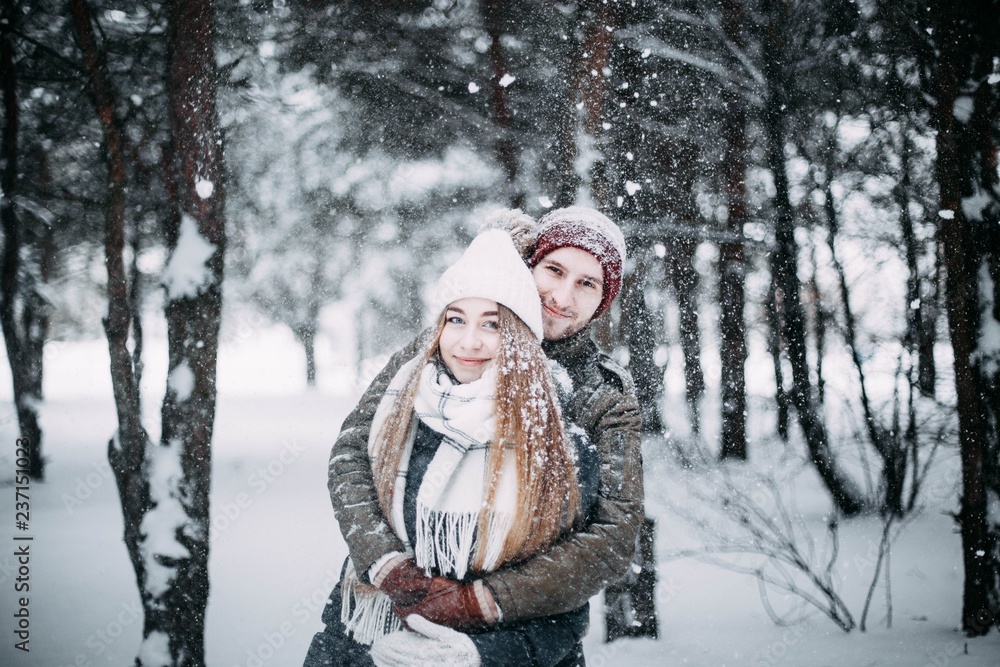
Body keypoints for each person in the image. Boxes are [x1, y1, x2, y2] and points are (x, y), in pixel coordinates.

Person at [309, 207, 644, 665]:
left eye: (587, 283)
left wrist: (480, 600)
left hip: (519, 635)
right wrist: (387, 563)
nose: (562, 296)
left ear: (604, 299)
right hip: (377, 613)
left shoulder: (602, 394)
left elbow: (613, 536)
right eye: (555, 270)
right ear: (530, 266)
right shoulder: (443, 344)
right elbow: (352, 451)